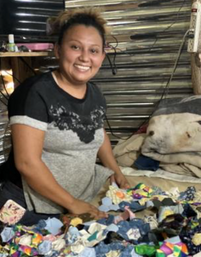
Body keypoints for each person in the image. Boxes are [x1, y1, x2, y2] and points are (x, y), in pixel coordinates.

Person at [0, 8, 130, 225]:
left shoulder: (95, 93)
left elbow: (96, 131)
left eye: (94, 50)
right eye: (75, 47)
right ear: (58, 50)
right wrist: (73, 204)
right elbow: (26, 163)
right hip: (25, 203)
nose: (85, 58)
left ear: (102, 56)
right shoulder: (36, 93)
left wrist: (116, 171)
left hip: (74, 201)